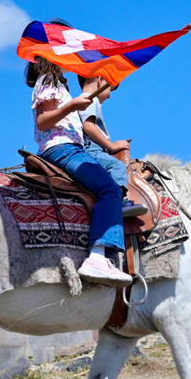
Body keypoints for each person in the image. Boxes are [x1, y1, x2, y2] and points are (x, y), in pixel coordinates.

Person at [25, 19, 132, 287]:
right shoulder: (49, 79)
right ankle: (98, 256)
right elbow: (43, 121)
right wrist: (71, 106)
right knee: (109, 190)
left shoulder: (58, 83)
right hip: (63, 148)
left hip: (64, 147)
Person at [74, 74, 147, 217]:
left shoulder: (85, 100)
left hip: (93, 148)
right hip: (92, 148)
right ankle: (118, 202)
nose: (109, 96)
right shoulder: (90, 100)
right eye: (111, 89)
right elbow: (89, 127)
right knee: (117, 166)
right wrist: (111, 146)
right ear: (100, 80)